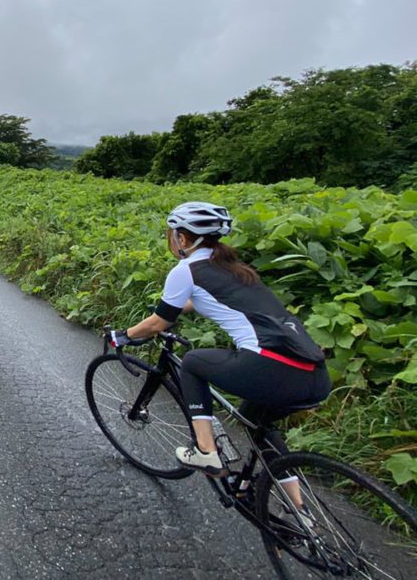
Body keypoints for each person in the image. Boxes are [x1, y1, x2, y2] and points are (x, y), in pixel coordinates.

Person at [108, 201, 330, 477]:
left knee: (192, 362)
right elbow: (203, 302)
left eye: (170, 233)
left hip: (268, 366)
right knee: (256, 424)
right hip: (314, 374)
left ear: (182, 238)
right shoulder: (233, 267)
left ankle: (205, 451)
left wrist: (123, 336)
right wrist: (171, 311)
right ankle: (301, 512)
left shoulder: (186, 269)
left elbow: (158, 322)